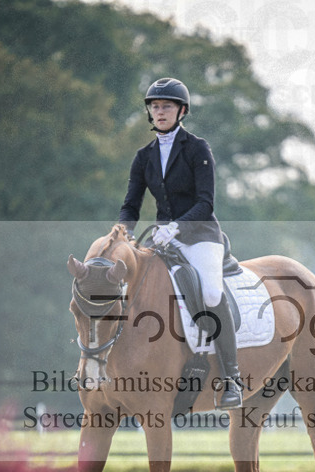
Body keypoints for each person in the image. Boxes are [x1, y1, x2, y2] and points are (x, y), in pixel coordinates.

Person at [116, 77, 242, 409]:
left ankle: (232, 377)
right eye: (155, 106)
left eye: (167, 106)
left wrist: (176, 226)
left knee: (211, 293)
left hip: (200, 236)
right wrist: (122, 233)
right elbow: (130, 205)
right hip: (163, 241)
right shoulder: (143, 156)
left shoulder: (197, 148)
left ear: (181, 111)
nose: (160, 112)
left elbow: (205, 202)